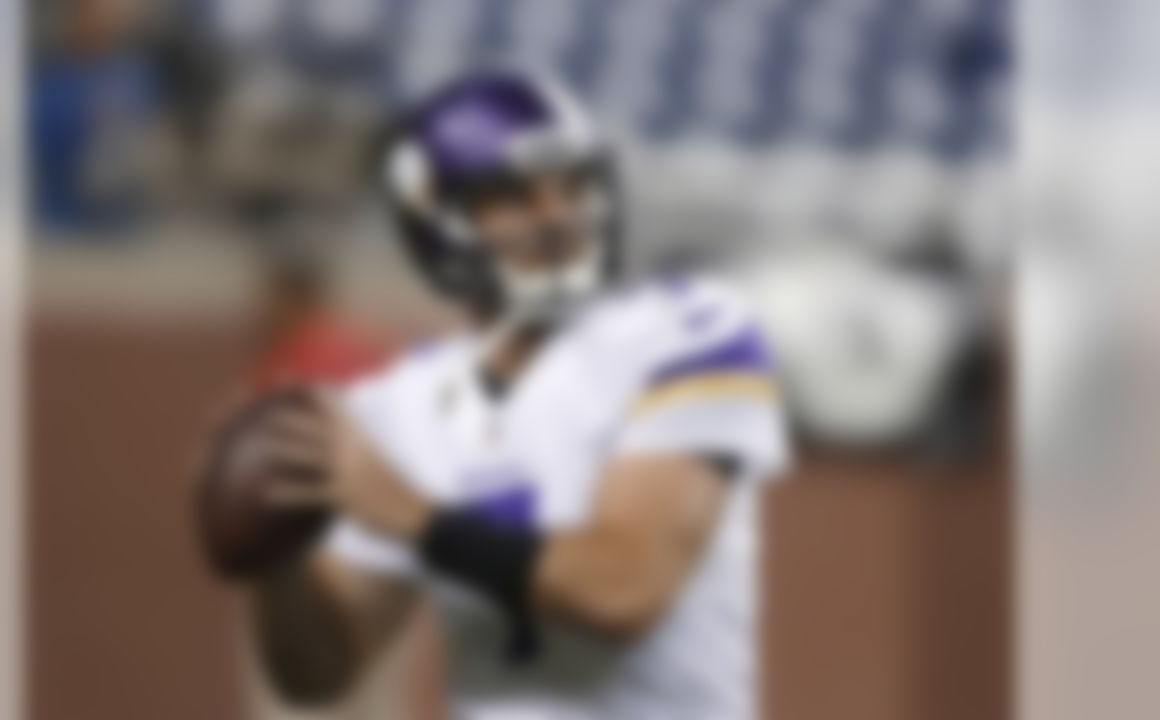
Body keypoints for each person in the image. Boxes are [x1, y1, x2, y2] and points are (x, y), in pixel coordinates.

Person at [198, 72, 791, 719]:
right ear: (438, 222)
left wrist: (414, 517)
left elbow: (627, 589)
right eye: (514, 196)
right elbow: (318, 675)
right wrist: (273, 557)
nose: (556, 215)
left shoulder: (687, 329)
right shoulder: (405, 404)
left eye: (572, 185)